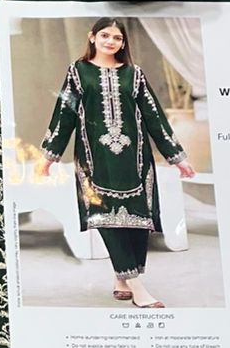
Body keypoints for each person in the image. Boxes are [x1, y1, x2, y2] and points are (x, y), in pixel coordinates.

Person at [36, 18, 195, 307]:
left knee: (138, 220)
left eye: (117, 38)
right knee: (107, 217)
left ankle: (121, 279)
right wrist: (49, 156)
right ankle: (137, 287)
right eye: (105, 35)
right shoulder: (78, 71)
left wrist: (177, 157)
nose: (111, 41)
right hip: (95, 160)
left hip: (135, 160)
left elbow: (154, 116)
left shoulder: (134, 74)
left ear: (123, 43)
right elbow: (64, 113)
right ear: (92, 37)